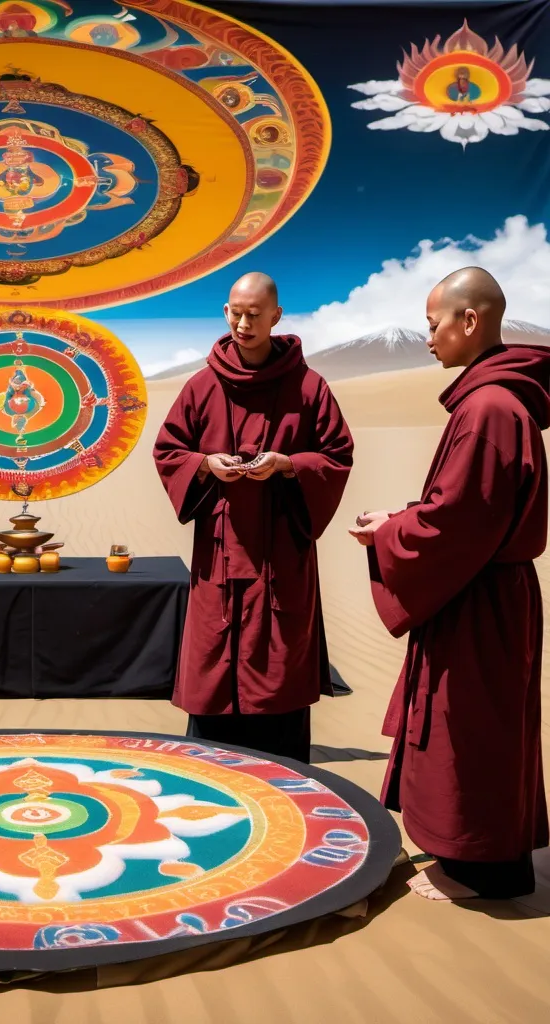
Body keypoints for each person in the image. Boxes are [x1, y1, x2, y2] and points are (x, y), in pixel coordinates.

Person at [350, 267, 549, 900]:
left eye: (434, 325)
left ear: (470, 321)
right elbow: (461, 508)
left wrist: (390, 535)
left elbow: (459, 523)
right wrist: (402, 518)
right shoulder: (490, 400)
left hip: (478, 598)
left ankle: (483, 871)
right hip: (478, 588)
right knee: (472, 722)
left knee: (473, 729)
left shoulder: (490, 407)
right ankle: (473, 858)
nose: (428, 338)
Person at [154, 272, 353, 762]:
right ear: (225, 312)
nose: (244, 324)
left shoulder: (308, 387)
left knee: (279, 670)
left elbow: (337, 455)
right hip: (219, 556)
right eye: (236, 313)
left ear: (277, 317)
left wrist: (287, 464)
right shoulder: (202, 386)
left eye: (255, 315)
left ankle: (288, 784)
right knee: (213, 668)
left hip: (280, 558)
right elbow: (168, 449)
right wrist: (205, 464)